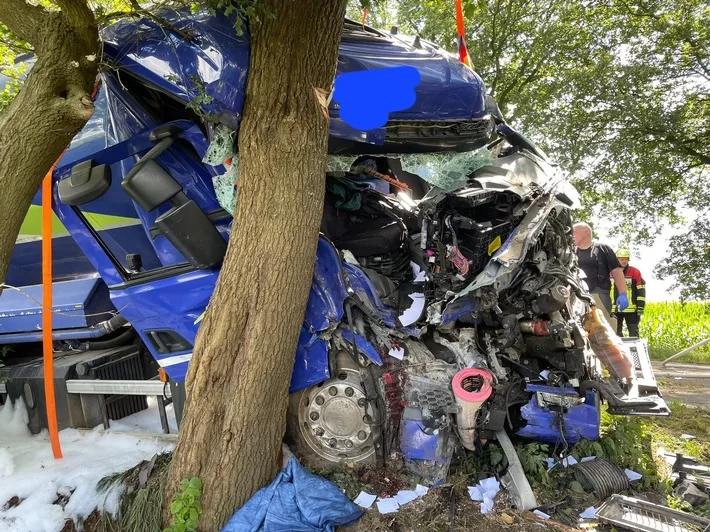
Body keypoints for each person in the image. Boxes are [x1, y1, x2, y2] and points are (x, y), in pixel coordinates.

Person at [572, 222, 629, 330]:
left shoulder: (603, 249)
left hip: (599, 294)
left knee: (603, 328)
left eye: (574, 232)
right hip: (578, 295)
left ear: (586, 232)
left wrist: (623, 294)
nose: (571, 235)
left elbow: (617, 272)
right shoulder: (571, 252)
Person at [610, 249, 646, 337]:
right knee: (616, 334)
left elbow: (640, 290)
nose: (624, 261)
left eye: (626, 259)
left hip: (632, 310)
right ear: (616, 259)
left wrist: (640, 306)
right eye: (621, 259)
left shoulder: (635, 272)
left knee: (634, 334)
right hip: (615, 309)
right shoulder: (610, 273)